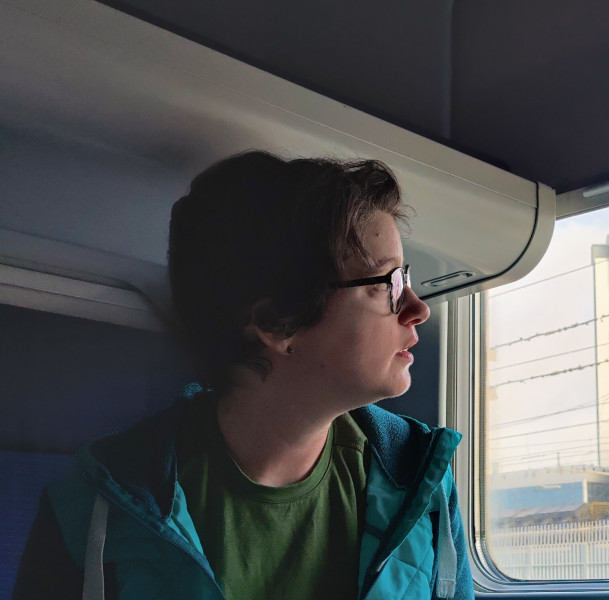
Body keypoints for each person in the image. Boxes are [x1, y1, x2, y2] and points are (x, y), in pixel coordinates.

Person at [13, 151, 473, 599]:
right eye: (388, 283)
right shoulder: (96, 502)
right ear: (278, 323)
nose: (418, 309)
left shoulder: (424, 484)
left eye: (404, 278)